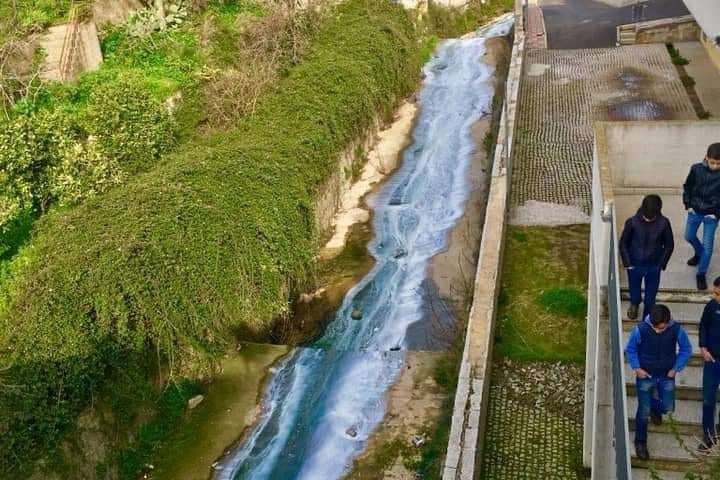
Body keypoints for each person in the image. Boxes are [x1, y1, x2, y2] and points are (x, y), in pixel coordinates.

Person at [624, 304, 692, 461]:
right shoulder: (641, 329)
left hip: (667, 375)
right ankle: (640, 442)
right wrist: (637, 368)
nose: (658, 331)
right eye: (656, 328)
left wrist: (676, 368)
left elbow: (686, 349)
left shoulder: (676, 329)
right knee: (643, 412)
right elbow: (631, 349)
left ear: (668, 322)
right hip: (645, 376)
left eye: (661, 328)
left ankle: (654, 405)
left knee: (668, 408)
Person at [619, 194, 674, 321]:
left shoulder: (664, 223)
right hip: (634, 264)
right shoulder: (632, 222)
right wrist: (628, 263)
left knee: (650, 297)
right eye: (646, 217)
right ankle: (634, 304)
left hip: (654, 266)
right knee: (634, 289)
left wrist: (661, 264)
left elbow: (669, 245)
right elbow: (623, 243)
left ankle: (647, 319)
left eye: (652, 217)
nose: (648, 220)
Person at [683, 143, 720, 291]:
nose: (715, 166)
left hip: (711, 216)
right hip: (695, 211)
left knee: (708, 248)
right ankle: (699, 254)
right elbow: (688, 187)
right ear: (706, 157)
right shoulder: (696, 169)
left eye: (719, 164)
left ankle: (701, 273)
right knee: (689, 236)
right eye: (713, 162)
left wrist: (717, 214)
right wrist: (688, 204)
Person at [699, 276, 720, 450]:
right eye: (714, 292)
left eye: (718, 293)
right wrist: (703, 347)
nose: (714, 296)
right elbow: (703, 326)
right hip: (712, 361)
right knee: (708, 399)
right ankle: (707, 434)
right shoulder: (711, 307)